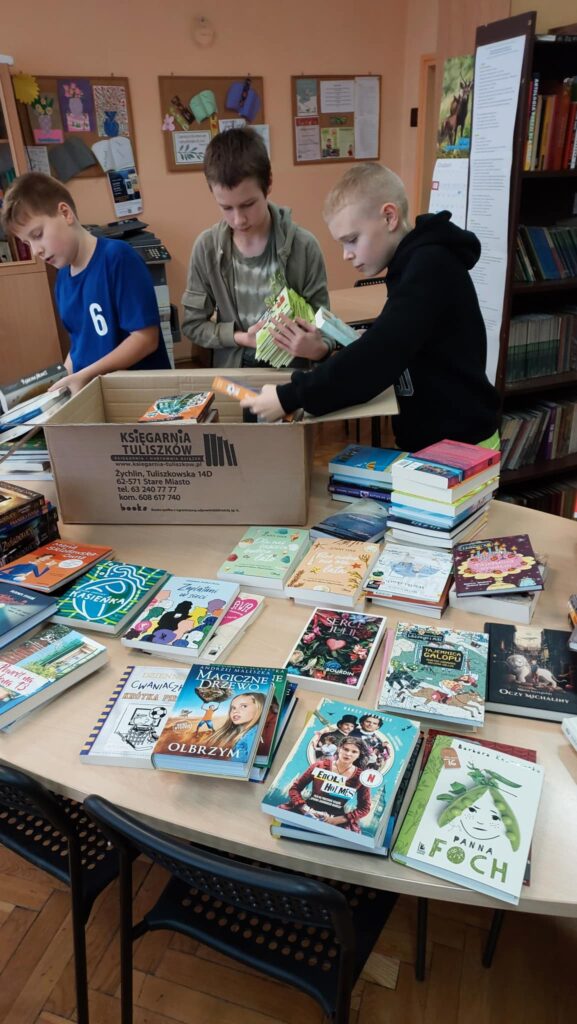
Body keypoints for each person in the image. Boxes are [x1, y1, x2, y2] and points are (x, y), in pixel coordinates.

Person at [242, 163, 500, 452]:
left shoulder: (429, 267)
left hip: (462, 447)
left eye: (352, 240)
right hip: (436, 442)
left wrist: (289, 396)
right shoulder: (412, 266)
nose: (346, 255)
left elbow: (378, 356)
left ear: (389, 217)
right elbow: (398, 343)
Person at [1, 172, 170, 396]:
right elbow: (79, 347)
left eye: (38, 234)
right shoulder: (62, 281)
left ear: (65, 213)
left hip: (141, 397)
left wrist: (87, 375)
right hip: (97, 396)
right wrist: (64, 380)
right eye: (27, 243)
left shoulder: (117, 258)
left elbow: (145, 339)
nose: (35, 251)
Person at [181, 127, 332, 370]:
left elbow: (325, 330)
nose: (239, 219)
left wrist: (319, 349)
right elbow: (193, 325)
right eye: (226, 208)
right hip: (235, 374)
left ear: (268, 183)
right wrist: (241, 338)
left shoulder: (304, 247)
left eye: (248, 204)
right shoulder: (207, 248)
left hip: (291, 375)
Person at [279, 736, 371, 832]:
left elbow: (364, 807)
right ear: (339, 748)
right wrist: (305, 809)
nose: (348, 754)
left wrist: (336, 820)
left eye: (354, 752)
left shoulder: (362, 777)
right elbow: (295, 788)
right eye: (345, 749)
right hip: (308, 810)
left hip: (337, 819)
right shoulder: (319, 766)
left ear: (359, 755)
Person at [210, 691, 267, 761]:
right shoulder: (242, 732)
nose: (235, 711)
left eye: (244, 706)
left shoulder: (254, 733)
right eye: (233, 708)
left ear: (260, 707)